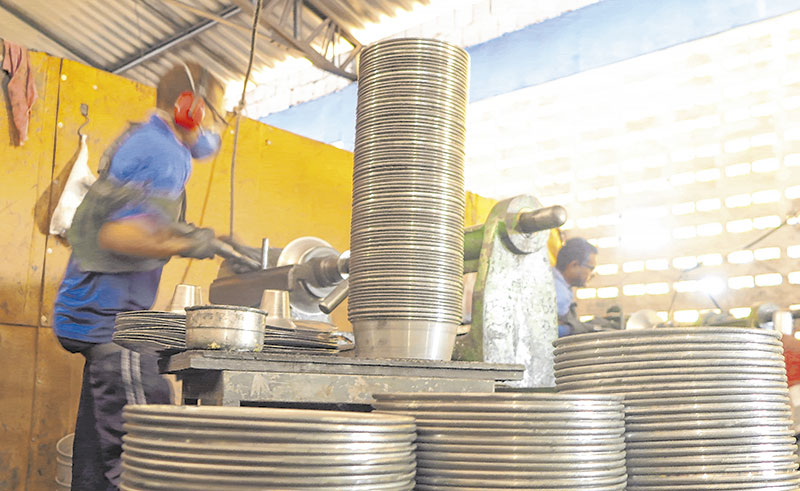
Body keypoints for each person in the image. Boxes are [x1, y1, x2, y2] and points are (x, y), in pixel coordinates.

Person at [53, 61, 227, 490]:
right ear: (190, 108)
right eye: (215, 117)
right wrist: (185, 241)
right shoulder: (163, 152)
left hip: (97, 319)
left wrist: (179, 233)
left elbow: (128, 221)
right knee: (147, 456)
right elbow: (119, 233)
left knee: (98, 465)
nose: (213, 130)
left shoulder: (145, 141)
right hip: (114, 325)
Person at [552, 237, 598, 337]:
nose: (592, 274)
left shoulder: (555, 280)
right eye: (591, 268)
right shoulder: (559, 294)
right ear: (574, 265)